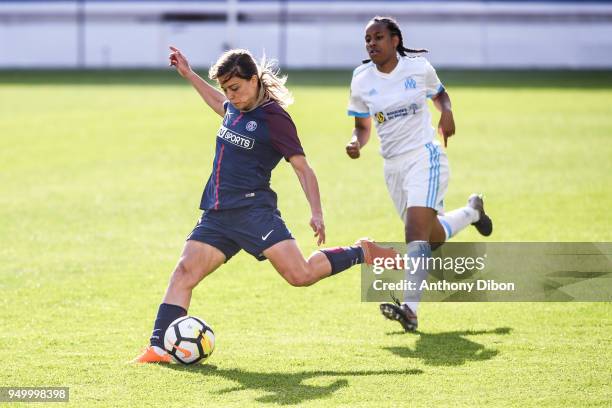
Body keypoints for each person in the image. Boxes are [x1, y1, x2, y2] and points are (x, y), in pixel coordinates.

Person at [133, 46, 396, 363]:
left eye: (236, 88)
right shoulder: (233, 106)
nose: (230, 96)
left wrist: (316, 212)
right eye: (226, 89)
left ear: (254, 80)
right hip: (218, 213)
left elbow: (303, 168)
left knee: (300, 274)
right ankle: (159, 347)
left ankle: (363, 251)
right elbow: (220, 104)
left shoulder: (275, 119)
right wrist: (189, 75)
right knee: (184, 272)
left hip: (254, 212)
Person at [345, 16, 493, 332]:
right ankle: (471, 212)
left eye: (378, 37)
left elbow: (440, 94)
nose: (372, 43)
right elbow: (362, 125)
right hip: (392, 167)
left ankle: (410, 309)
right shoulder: (361, 79)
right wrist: (356, 142)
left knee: (414, 233)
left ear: (395, 40)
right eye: (367, 39)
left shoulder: (418, 68)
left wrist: (447, 112)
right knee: (431, 238)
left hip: (425, 155)